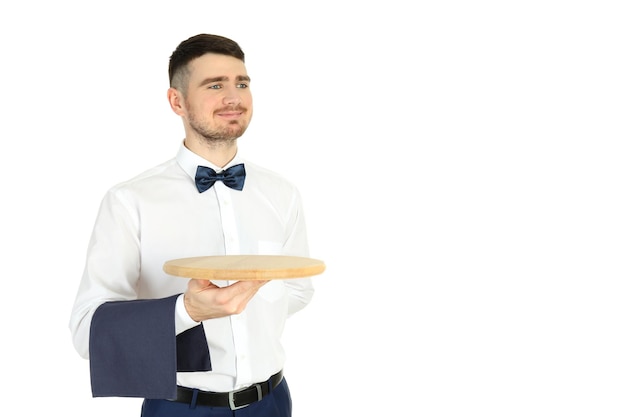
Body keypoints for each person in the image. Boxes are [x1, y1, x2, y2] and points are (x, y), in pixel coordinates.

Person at [69, 33, 315, 417]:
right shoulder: (129, 200)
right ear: (177, 101)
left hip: (272, 402)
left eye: (242, 83)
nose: (233, 97)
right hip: (181, 408)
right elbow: (88, 331)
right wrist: (188, 311)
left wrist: (253, 310)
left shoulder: (282, 193)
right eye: (215, 85)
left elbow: (298, 290)